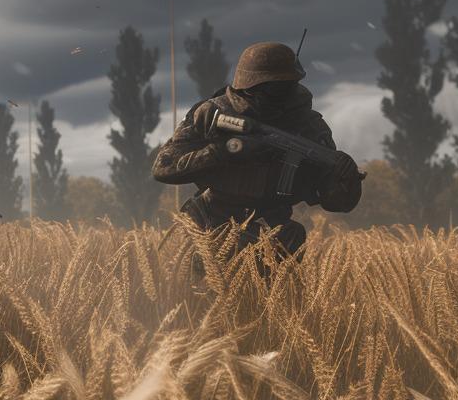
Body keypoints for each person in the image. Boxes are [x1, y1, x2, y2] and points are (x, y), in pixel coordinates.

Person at [153, 41, 361, 259]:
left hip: (272, 230)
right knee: (190, 289)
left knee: (285, 255)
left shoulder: (308, 128)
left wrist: (345, 180)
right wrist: (223, 151)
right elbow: (164, 167)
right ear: (250, 87)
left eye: (285, 87)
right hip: (209, 222)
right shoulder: (214, 113)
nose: (280, 96)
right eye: (271, 89)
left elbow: (336, 202)